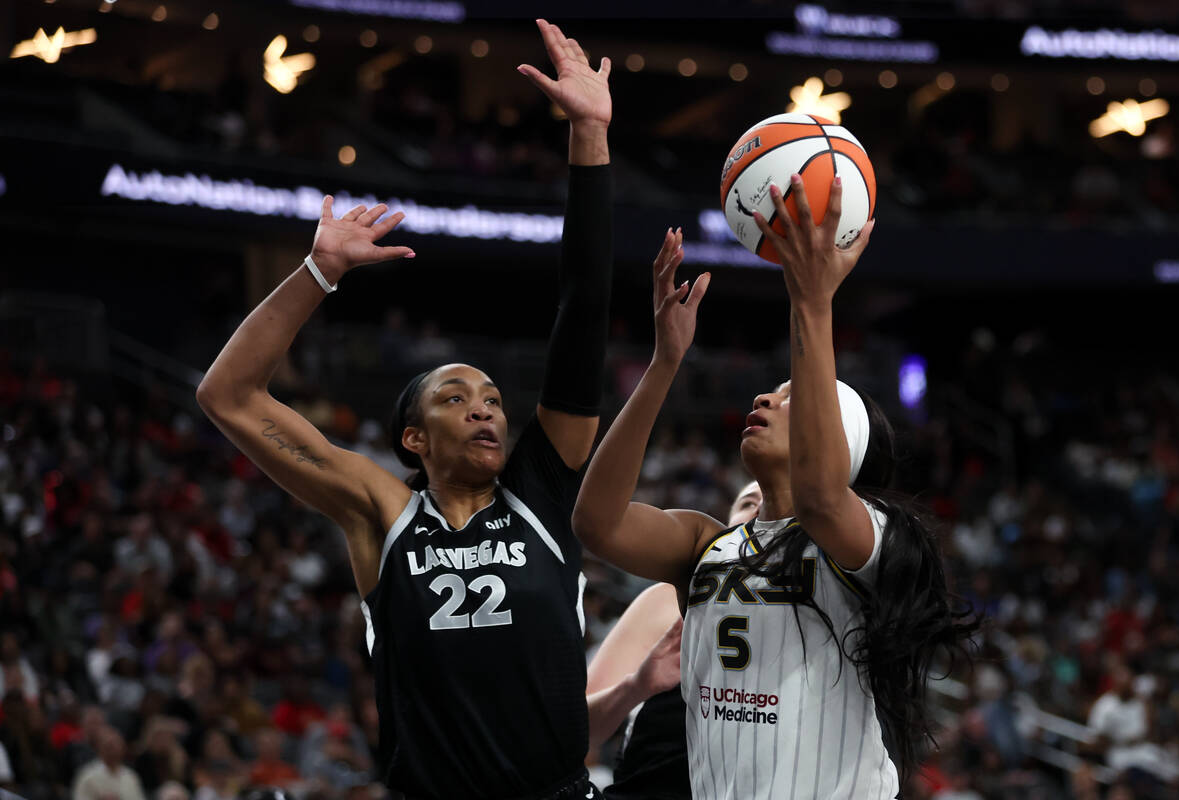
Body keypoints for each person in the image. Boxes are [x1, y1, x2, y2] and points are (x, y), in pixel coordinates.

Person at [197, 18, 615, 799]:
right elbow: (227, 397)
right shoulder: (381, 513)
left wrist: (589, 137)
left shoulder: (542, 491)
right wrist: (317, 273)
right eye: (456, 398)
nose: (486, 409)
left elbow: (583, 312)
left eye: (492, 397)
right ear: (414, 437)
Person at [572, 179, 977, 798]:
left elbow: (818, 499)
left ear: (837, 445)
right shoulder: (708, 544)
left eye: (790, 398)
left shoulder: (876, 535)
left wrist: (813, 304)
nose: (764, 397)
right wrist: (664, 364)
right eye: (773, 391)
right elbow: (596, 523)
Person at [588, 482, 762, 800]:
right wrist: (635, 686)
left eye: (777, 502)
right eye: (748, 503)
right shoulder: (666, 601)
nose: (760, 512)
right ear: (720, 526)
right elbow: (575, 733)